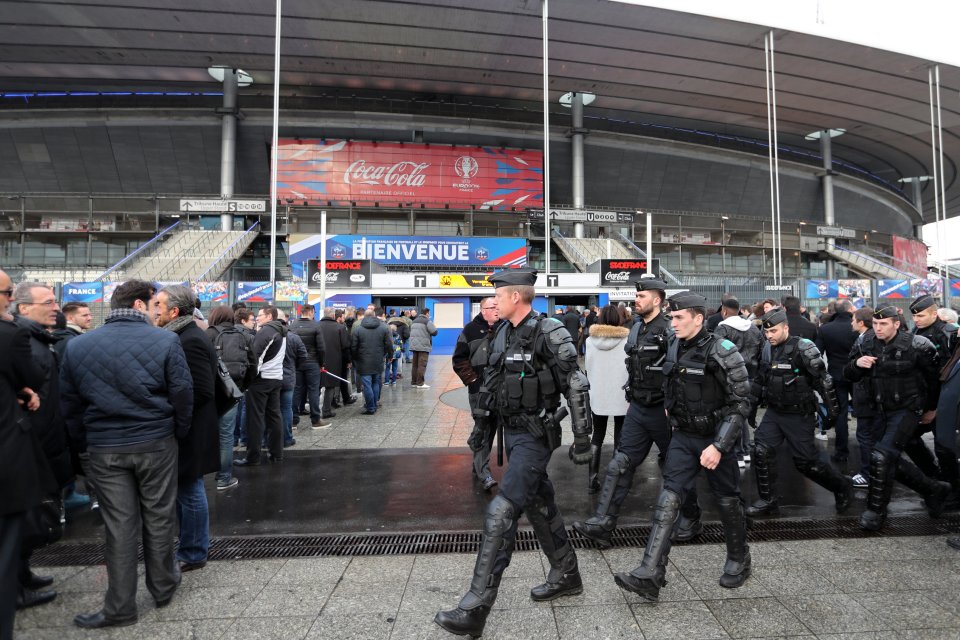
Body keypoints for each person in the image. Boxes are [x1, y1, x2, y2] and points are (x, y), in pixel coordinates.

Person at [434, 268, 593, 638]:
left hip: (535, 436)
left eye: (498, 295)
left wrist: (583, 439)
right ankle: (567, 573)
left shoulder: (549, 331)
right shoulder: (503, 330)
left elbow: (576, 384)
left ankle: (475, 606)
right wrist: (482, 430)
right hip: (511, 430)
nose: (493, 301)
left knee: (502, 511)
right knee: (539, 503)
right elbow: (492, 380)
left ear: (516, 297)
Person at [60, 279, 193, 628]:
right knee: (160, 515)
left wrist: (83, 446)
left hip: (104, 446)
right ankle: (163, 585)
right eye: (153, 305)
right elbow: (182, 395)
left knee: (119, 527)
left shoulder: (78, 346)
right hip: (155, 441)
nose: (156, 312)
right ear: (138, 305)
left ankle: (120, 607)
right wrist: (175, 432)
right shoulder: (166, 340)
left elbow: (69, 406)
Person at [613, 291, 752, 602]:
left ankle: (739, 558)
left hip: (717, 441)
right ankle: (650, 572)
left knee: (728, 501)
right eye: (672, 317)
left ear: (698, 318)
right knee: (668, 500)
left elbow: (741, 403)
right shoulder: (675, 344)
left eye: (679, 318)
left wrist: (718, 445)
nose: (672, 323)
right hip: (683, 437)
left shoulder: (722, 350)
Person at [576, 281, 701, 551]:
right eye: (636, 295)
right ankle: (603, 523)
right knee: (619, 465)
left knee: (676, 467)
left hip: (663, 412)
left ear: (657, 300)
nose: (636, 300)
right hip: (638, 409)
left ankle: (691, 518)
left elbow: (681, 368)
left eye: (641, 296)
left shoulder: (669, 329)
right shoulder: (635, 329)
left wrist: (674, 406)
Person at [843, 305, 949, 531]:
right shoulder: (864, 342)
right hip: (879, 410)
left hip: (908, 409)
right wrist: (857, 365)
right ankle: (933, 489)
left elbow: (935, 381)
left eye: (883, 324)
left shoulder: (918, 345)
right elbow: (848, 373)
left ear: (896, 324)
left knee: (881, 457)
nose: (878, 328)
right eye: (875, 323)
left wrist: (932, 408)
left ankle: (875, 512)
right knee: (883, 458)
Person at [745, 309, 851, 516]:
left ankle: (841, 487)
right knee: (761, 451)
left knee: (806, 463)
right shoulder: (768, 349)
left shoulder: (804, 348)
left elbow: (824, 381)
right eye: (767, 332)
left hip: (799, 414)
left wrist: (831, 413)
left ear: (786, 327)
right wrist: (751, 407)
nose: (770, 335)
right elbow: (760, 381)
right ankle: (768, 500)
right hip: (775, 413)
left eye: (774, 331)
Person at [12, 283, 74, 609]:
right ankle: (16, 586)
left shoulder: (38, 341)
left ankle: (23, 574)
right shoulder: (24, 344)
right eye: (48, 302)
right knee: (23, 518)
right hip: (32, 448)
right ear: (23, 308)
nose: (56, 307)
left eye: (56, 300)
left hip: (45, 445)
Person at [155, 285, 219, 573]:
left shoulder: (189, 339)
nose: (154, 310)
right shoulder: (183, 334)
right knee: (186, 488)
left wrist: (178, 417)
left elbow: (202, 389)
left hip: (192, 428)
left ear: (174, 311)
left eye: (159, 305)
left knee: (190, 488)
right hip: (190, 425)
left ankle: (193, 551)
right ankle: (191, 547)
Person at [0, 270, 46, 639]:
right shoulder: (11, 335)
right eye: (7, 293)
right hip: (7, 455)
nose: (9, 300)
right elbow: (30, 377)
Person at [910, 294, 959, 496]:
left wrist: (936, 409)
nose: (916, 320)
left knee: (945, 448)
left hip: (942, 403)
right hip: (921, 400)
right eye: (914, 316)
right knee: (908, 440)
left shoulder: (948, 334)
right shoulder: (914, 332)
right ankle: (935, 478)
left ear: (934, 313)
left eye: (921, 316)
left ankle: (954, 491)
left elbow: (948, 376)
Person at [451, 296, 502, 491]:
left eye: (498, 306)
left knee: (493, 427)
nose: (497, 310)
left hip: (500, 389)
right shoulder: (470, 330)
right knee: (483, 427)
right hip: (479, 390)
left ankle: (478, 464)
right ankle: (484, 473)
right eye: (493, 307)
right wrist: (472, 380)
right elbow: (459, 359)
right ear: (483, 310)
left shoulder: (504, 328)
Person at [580, 304, 629, 494]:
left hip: (598, 393)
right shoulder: (627, 340)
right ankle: (616, 479)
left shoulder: (591, 341)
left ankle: (592, 479)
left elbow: (588, 366)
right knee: (620, 437)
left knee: (597, 436)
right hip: (620, 394)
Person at [205, 305, 255, 491]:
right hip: (231, 392)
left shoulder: (207, 334)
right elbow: (253, 365)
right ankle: (224, 477)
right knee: (226, 436)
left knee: (205, 432)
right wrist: (241, 387)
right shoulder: (243, 336)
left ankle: (199, 474)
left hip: (209, 392)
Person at [234, 306, 287, 466]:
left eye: (260, 315)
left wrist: (248, 380)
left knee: (255, 419)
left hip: (261, 381)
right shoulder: (283, 331)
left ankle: (253, 457)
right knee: (274, 417)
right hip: (276, 378)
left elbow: (255, 359)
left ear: (269, 316)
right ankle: (277, 453)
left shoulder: (266, 332)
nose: (257, 318)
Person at [713, 297, 762, 467]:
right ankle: (746, 450)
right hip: (750, 375)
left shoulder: (722, 329)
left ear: (724, 311)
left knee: (733, 414)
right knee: (742, 411)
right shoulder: (754, 329)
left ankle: (739, 452)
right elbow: (761, 352)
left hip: (730, 378)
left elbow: (717, 354)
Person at [819, 299, 859, 464]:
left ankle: (841, 451)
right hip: (858, 374)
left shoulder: (826, 329)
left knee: (840, 413)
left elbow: (818, 353)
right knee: (863, 411)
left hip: (836, 374)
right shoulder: (857, 327)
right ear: (849, 309)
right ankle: (869, 447)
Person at [847, 307, 881, 489]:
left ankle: (869, 474)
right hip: (866, 395)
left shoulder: (868, 340)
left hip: (867, 397)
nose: (851, 322)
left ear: (861, 322)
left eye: (853, 319)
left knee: (866, 436)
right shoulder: (863, 338)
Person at [291, 304, 329, 429]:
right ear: (311, 312)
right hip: (313, 363)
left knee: (296, 390)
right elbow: (321, 348)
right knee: (313, 391)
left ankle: (293, 421)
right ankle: (316, 420)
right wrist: (322, 363)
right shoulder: (315, 326)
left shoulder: (293, 326)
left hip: (297, 363)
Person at [351, 308, 392, 415]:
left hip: (363, 362)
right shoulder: (383, 328)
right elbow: (389, 344)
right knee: (376, 382)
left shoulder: (358, 330)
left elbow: (353, 347)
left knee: (367, 385)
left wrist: (355, 359)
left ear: (364, 316)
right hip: (378, 360)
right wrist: (389, 356)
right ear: (374, 315)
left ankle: (370, 407)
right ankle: (374, 404)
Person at [279, 310, 309, 444]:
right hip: (288, 376)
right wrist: (294, 366)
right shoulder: (293, 337)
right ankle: (287, 437)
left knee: (270, 408)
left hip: (269, 378)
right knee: (286, 408)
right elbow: (303, 355)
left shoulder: (265, 335)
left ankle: (267, 439)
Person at [319, 307, 352, 417]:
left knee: (316, 386)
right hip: (334, 360)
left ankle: (315, 411)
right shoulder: (340, 328)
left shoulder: (316, 326)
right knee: (330, 386)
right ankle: (326, 410)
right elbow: (345, 346)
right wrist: (348, 360)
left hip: (317, 360)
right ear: (333, 315)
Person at [409, 307, 438, 388]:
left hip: (414, 346)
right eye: (429, 313)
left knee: (415, 365)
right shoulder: (427, 321)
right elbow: (434, 332)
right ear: (427, 313)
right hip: (423, 346)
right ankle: (420, 383)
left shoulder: (414, 321)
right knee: (422, 365)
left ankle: (414, 382)